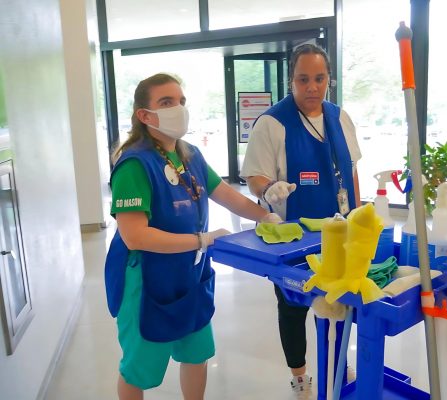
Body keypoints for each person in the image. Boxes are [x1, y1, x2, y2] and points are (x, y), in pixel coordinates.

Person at [104, 73, 281, 400]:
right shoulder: (135, 164)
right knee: (139, 368)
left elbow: (225, 194)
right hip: (147, 281)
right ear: (145, 115)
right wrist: (201, 240)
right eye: (166, 102)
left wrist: (266, 213)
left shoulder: (189, 155)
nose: (178, 109)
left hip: (189, 274)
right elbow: (135, 237)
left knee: (196, 351)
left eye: (181, 101)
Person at [241, 44, 362, 395]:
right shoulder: (272, 123)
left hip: (339, 234)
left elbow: (352, 170)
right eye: (303, 79)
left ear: (329, 80)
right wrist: (270, 189)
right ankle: (299, 375)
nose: (312, 87)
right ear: (291, 79)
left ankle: (338, 362)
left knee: (342, 302)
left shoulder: (339, 117)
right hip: (293, 238)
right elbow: (254, 178)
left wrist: (357, 211)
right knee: (293, 307)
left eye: (319, 78)